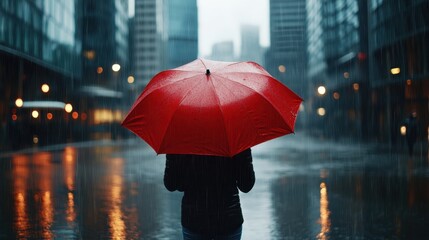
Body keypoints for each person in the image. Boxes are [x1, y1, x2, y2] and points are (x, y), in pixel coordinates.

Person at [164, 148, 255, 240]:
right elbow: (246, 185)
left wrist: (174, 156)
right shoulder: (235, 138)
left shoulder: (181, 140)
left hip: (194, 219)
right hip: (228, 218)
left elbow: (171, 184)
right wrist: (244, 153)